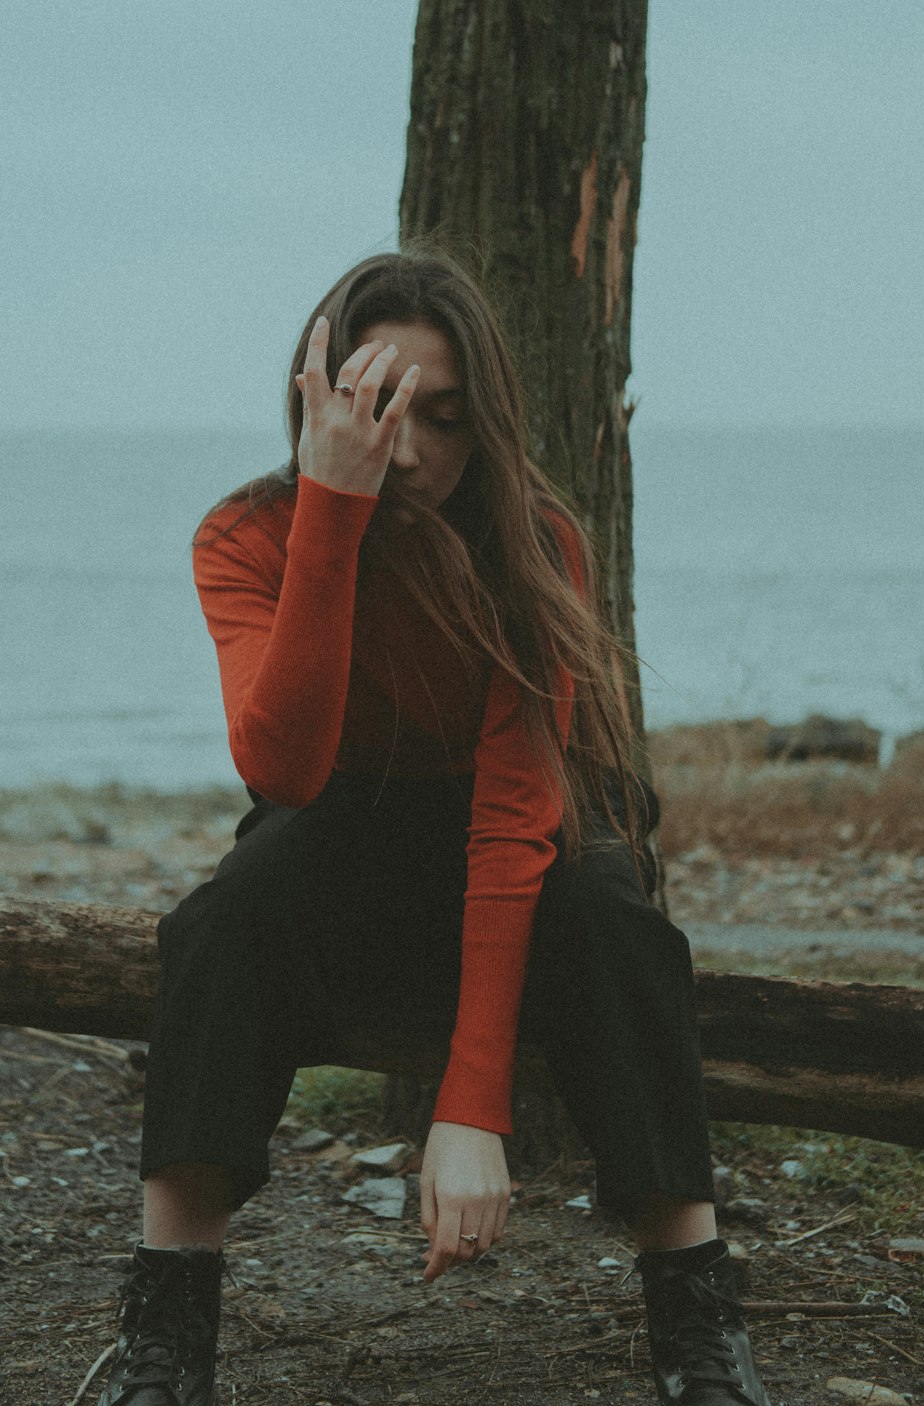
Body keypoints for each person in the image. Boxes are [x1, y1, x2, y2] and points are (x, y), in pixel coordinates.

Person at [97, 248, 775, 1406]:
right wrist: (332, 510)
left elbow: (514, 818)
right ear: (318, 398)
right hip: (343, 804)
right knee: (219, 920)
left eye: (444, 418)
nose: (409, 447)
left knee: (615, 922)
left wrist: (469, 1110)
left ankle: (697, 1315)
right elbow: (286, 766)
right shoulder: (244, 539)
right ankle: (167, 1331)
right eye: (378, 405)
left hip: (522, 819)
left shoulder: (532, 544)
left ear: (486, 425)